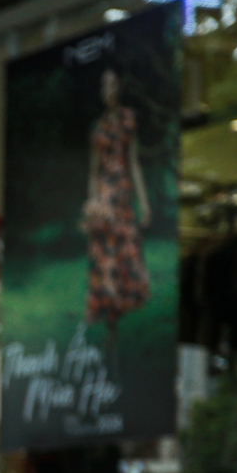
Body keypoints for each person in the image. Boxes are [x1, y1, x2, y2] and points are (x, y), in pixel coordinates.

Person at [82, 67, 151, 336]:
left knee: (124, 249)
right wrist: (91, 205)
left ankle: (120, 304)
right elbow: (92, 170)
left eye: (112, 84)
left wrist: (143, 202)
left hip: (121, 193)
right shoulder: (97, 128)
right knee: (104, 252)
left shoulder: (127, 119)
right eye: (104, 85)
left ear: (119, 87)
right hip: (103, 196)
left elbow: (133, 162)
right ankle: (106, 308)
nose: (108, 90)